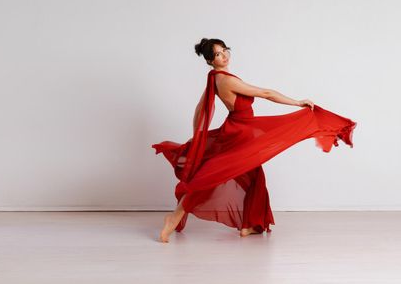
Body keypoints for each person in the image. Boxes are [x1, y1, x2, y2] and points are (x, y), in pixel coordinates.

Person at [152, 38, 357, 243]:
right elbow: (265, 93)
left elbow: (200, 107)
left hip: (237, 130)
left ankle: (249, 225)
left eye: (224, 51)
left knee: (253, 176)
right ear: (210, 60)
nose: (224, 55)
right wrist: (297, 102)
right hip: (240, 132)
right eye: (217, 54)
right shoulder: (226, 80)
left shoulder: (215, 78)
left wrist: (198, 135)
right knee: (211, 174)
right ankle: (173, 218)